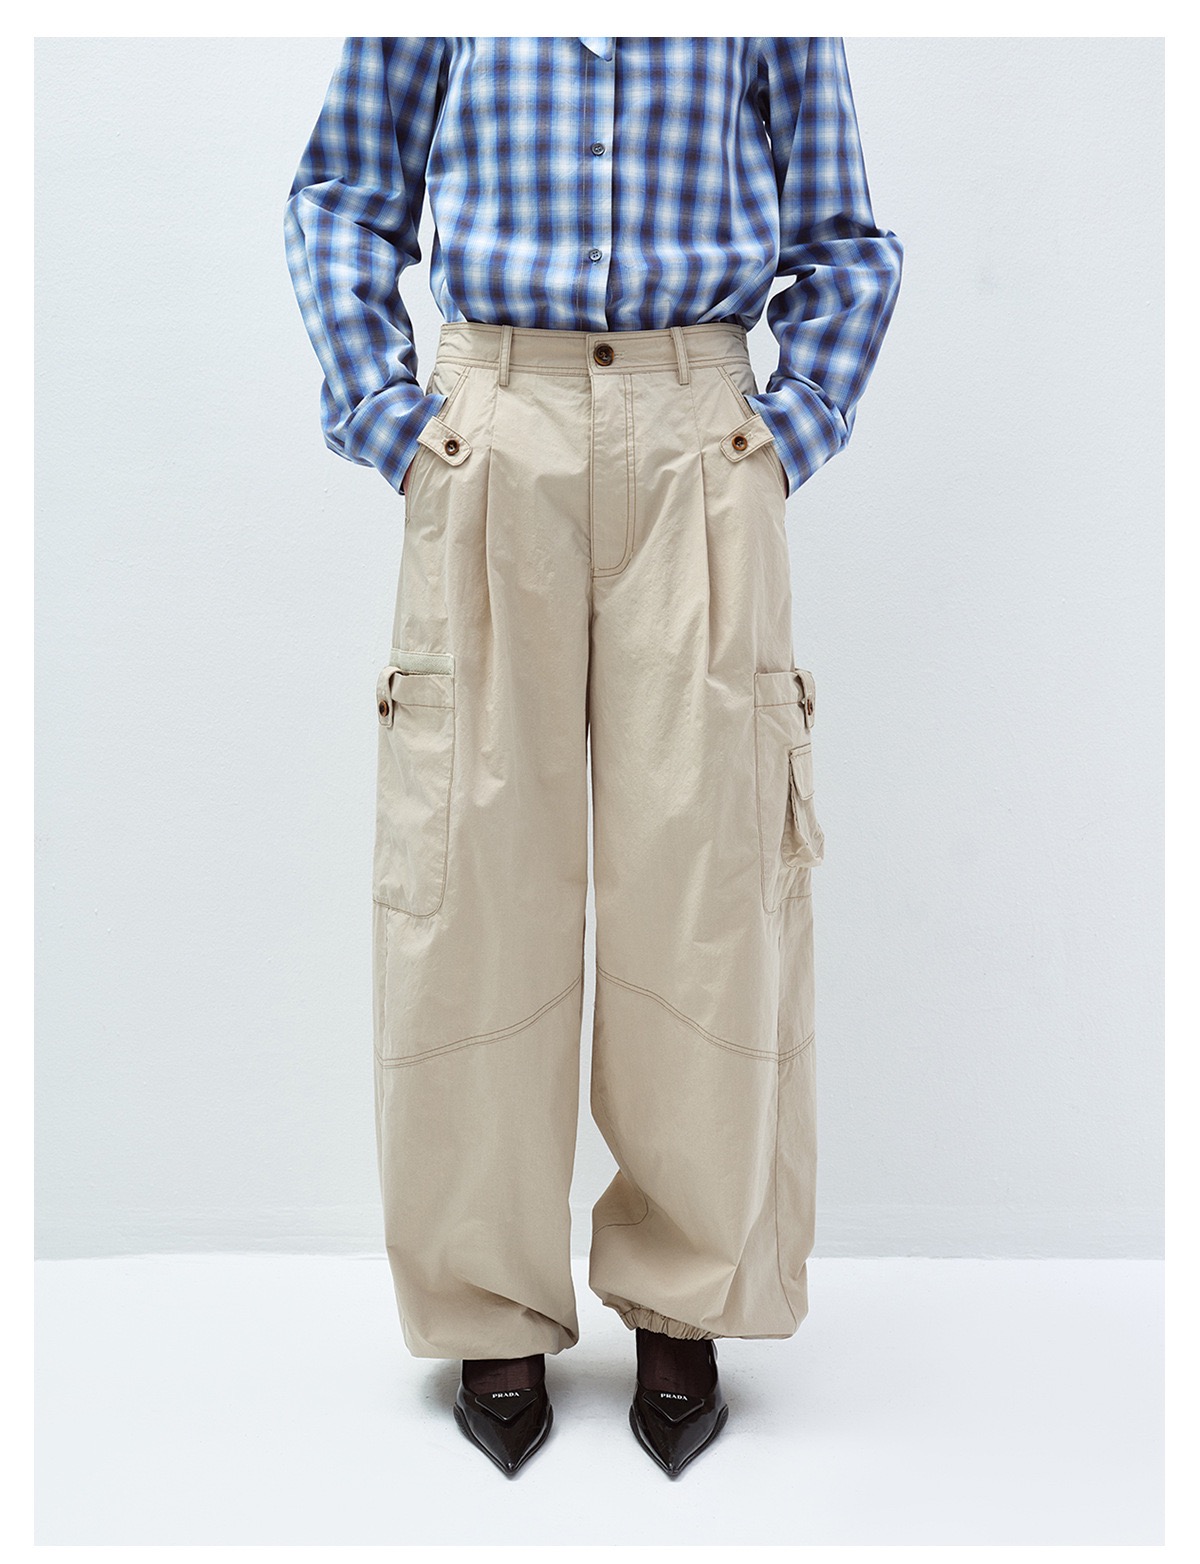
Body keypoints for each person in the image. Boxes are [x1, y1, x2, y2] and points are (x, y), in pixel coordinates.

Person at [284, 35, 903, 1479]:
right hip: (492, 421)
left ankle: (685, 1293)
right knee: (469, 869)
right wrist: (390, 415)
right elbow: (343, 197)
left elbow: (843, 239)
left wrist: (785, 428)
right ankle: (488, 1299)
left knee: (710, 874)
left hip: (703, 429)